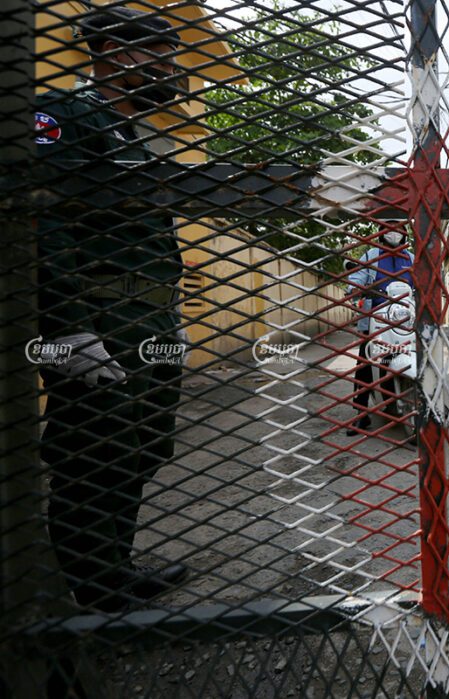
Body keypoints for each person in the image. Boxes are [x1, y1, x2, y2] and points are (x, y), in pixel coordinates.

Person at [35, 7, 190, 612]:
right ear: (113, 52)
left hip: (149, 318)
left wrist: (171, 317)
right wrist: (70, 328)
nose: (170, 69)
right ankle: (92, 591)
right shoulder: (65, 115)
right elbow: (45, 219)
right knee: (95, 448)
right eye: (160, 55)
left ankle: (114, 569)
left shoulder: (131, 133)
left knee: (145, 444)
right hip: (102, 316)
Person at [346, 225, 414, 434]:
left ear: (405, 233)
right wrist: (357, 288)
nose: (394, 233)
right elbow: (355, 280)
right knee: (365, 363)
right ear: (381, 232)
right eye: (389, 228)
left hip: (407, 319)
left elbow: (424, 282)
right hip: (376, 320)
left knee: (428, 355)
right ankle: (361, 413)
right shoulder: (371, 256)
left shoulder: (411, 258)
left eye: (398, 229)